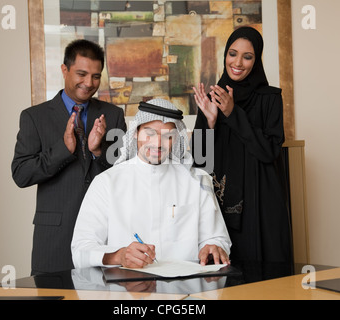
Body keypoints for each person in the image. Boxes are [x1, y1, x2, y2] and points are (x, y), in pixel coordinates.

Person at [71, 99, 231, 269]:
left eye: (168, 136)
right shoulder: (106, 183)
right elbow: (81, 250)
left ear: (176, 138)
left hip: (186, 290)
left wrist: (213, 247)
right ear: (135, 132)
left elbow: (217, 238)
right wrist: (119, 256)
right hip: (127, 291)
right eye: (150, 133)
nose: (157, 144)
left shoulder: (197, 180)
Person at [12, 39, 127, 275]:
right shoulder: (34, 117)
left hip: (105, 237)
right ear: (64, 70)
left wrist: (98, 152)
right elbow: (21, 174)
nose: (89, 83)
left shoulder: (113, 115)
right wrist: (64, 150)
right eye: (81, 74)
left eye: (96, 76)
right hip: (55, 238)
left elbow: (125, 175)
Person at [192, 27, 293, 271]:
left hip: (261, 201)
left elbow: (269, 151)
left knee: (267, 278)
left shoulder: (270, 98)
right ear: (225, 55)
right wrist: (210, 123)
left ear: (256, 60)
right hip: (223, 201)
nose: (237, 63)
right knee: (226, 275)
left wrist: (232, 113)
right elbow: (200, 160)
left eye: (247, 57)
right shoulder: (213, 96)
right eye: (232, 54)